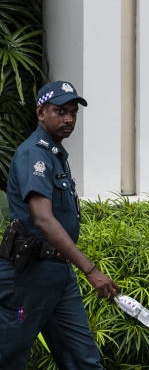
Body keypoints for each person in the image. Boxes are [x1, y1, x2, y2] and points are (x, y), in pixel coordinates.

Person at [0, 80, 119, 369]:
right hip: (27, 277)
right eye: (60, 111)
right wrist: (90, 270)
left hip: (58, 276)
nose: (68, 119)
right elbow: (42, 218)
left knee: (83, 360)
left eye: (73, 112)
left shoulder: (55, 154)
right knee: (9, 356)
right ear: (41, 113)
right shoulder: (34, 154)